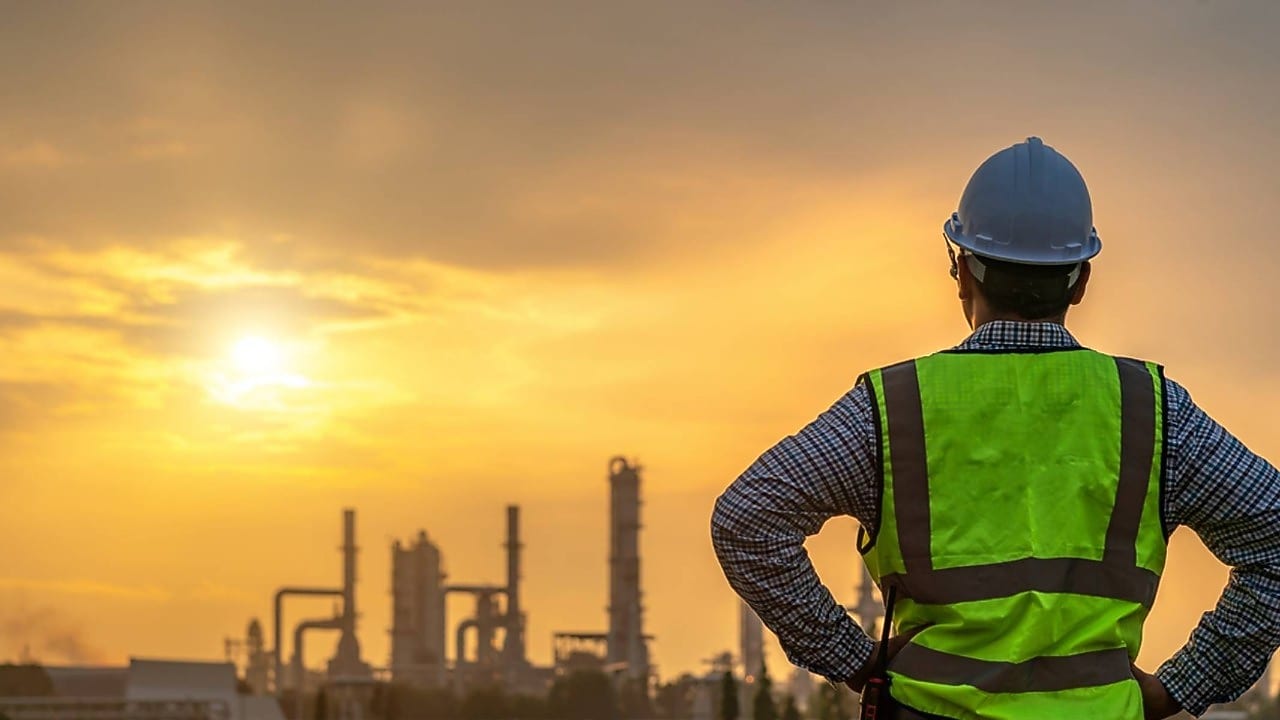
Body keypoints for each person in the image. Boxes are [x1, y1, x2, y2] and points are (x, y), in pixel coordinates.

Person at [711, 137, 1280, 720]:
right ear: (1081, 281)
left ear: (961, 271)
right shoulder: (1153, 413)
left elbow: (747, 521)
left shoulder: (892, 411)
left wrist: (856, 660)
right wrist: (1181, 686)